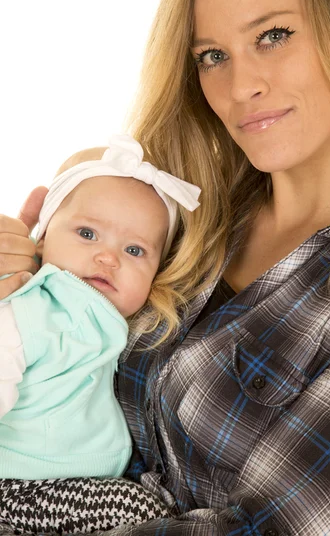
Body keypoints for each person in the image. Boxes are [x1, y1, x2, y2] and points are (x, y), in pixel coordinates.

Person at [1, 0, 330, 534]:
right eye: (212, 55)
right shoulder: (176, 212)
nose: (241, 87)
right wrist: (19, 277)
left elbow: (266, 529)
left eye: (274, 35)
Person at [0, 134, 200, 531]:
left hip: (59, 484)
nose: (108, 257)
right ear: (41, 239)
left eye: (134, 251)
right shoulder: (34, 311)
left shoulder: (111, 323)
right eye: (87, 234)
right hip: (19, 486)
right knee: (138, 510)